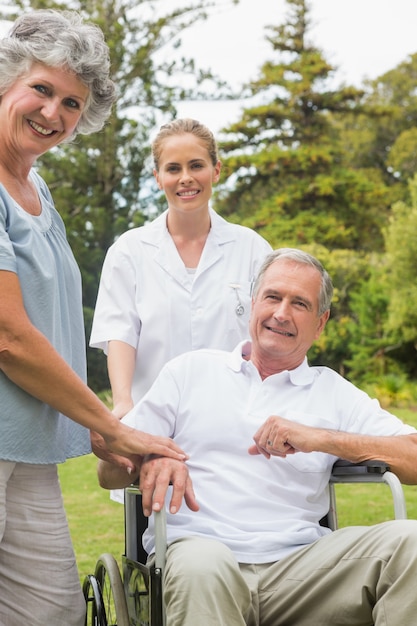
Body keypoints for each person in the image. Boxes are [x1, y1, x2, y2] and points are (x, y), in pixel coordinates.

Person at [98, 248, 417, 626]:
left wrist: (322, 438)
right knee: (203, 566)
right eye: (273, 297)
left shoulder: (332, 391)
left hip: (303, 571)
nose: (282, 313)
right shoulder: (190, 371)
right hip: (203, 554)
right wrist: (153, 453)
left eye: (300, 303)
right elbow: (109, 471)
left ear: (320, 322)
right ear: (253, 305)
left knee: (410, 542)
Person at [0, 10, 186, 626]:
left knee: (50, 611)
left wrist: (96, 425)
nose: (54, 113)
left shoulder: (36, 189)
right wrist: (111, 422)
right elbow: (9, 338)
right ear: (6, 80)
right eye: (42, 90)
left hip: (26, 446)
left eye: (73, 103)